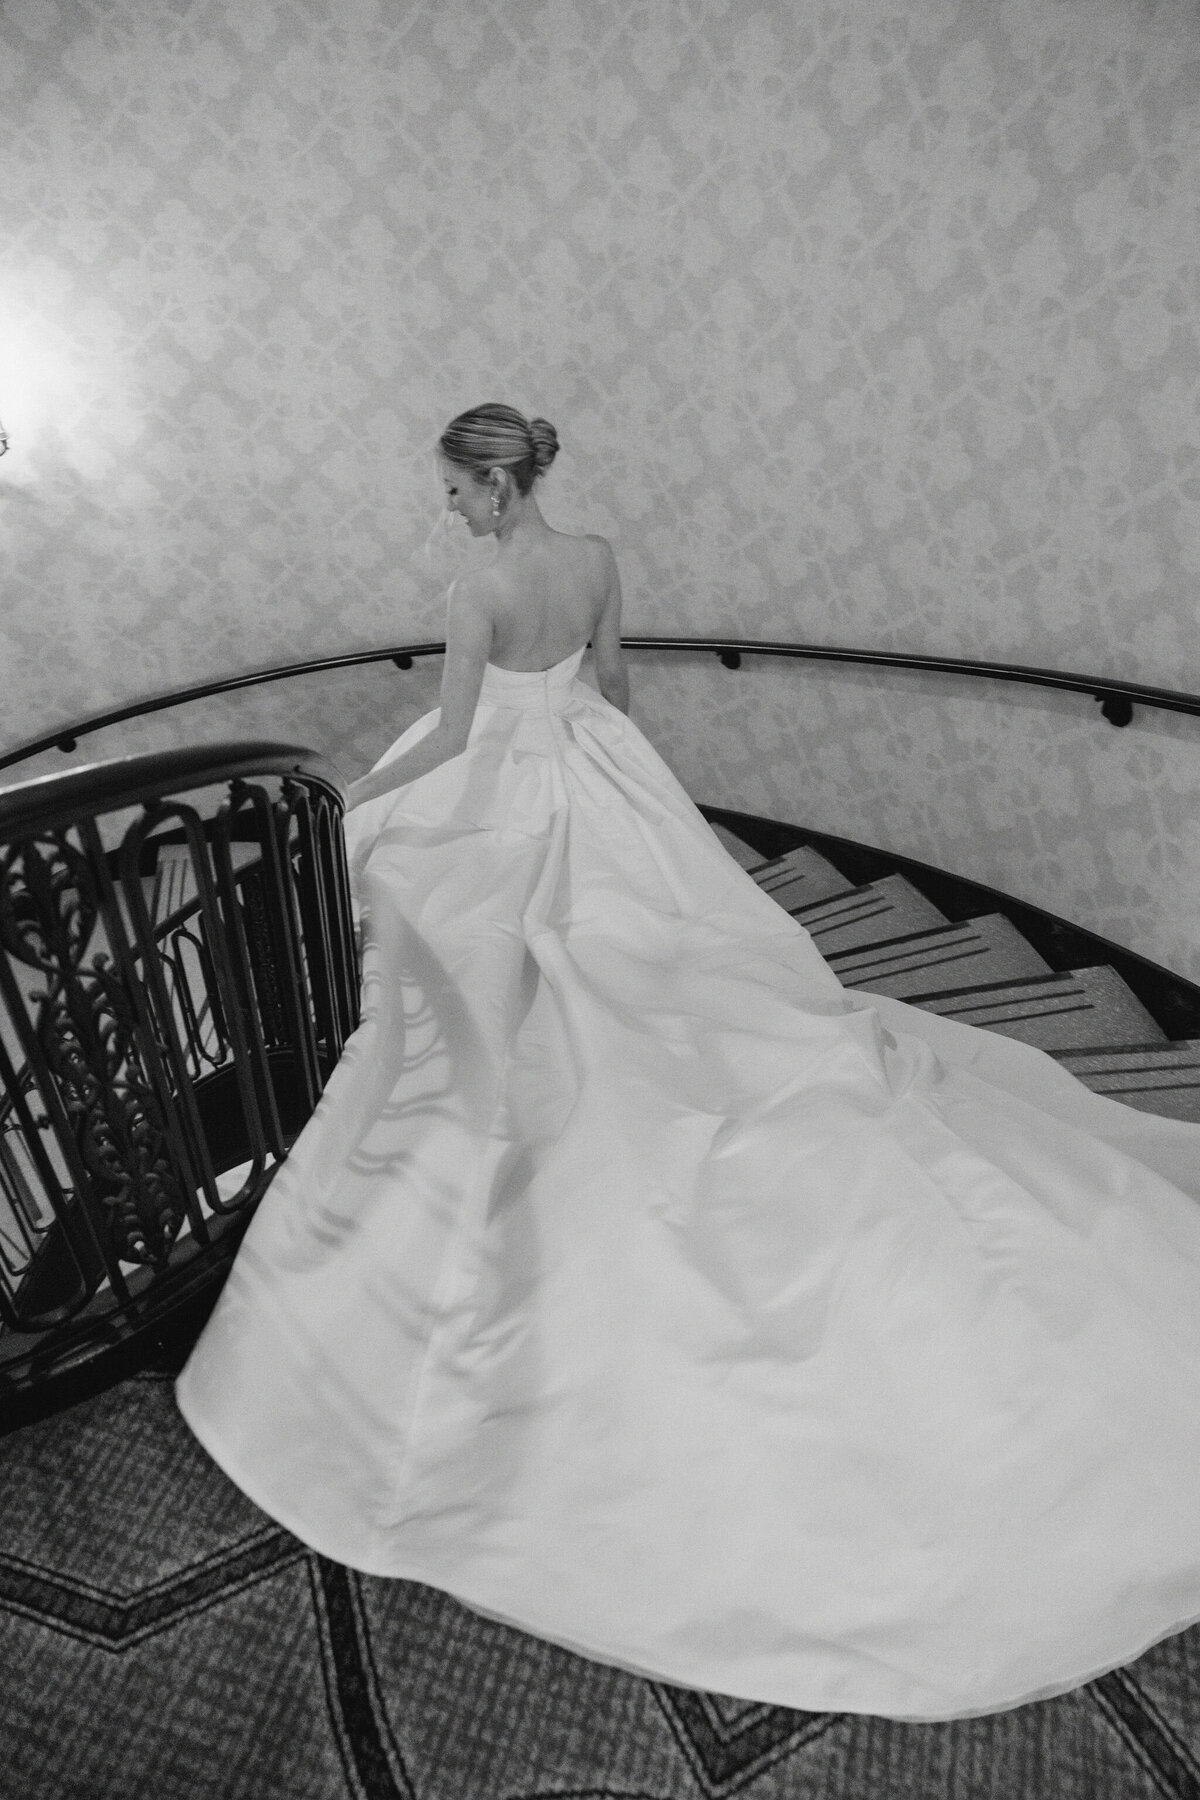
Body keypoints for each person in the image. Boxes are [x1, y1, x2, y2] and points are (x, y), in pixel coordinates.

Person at [177, 403, 1200, 1723]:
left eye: (450, 492)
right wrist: (630, 786)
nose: (445, 513)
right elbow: (613, 683)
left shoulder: (478, 585)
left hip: (510, 782)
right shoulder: (594, 550)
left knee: (476, 959)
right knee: (667, 950)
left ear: (489, 494)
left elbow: (447, 734)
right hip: (601, 774)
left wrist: (347, 802)